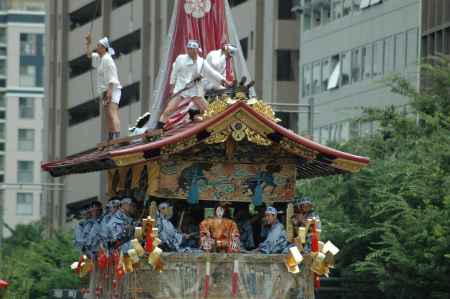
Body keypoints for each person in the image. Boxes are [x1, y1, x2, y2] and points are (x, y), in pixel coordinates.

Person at [158, 40, 232, 129]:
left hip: (195, 88)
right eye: (189, 49)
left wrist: (224, 81)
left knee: (208, 110)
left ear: (197, 50)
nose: (190, 51)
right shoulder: (180, 59)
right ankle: (158, 129)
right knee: (169, 110)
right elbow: (174, 73)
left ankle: (215, 126)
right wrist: (172, 86)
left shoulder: (202, 62)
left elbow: (212, 73)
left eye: (193, 49)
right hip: (181, 88)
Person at [85, 33, 122, 140]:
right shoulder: (100, 58)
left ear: (104, 48)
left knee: (112, 112)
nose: (96, 47)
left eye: (98, 45)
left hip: (112, 89)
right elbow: (88, 55)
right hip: (106, 90)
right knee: (108, 116)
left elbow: (112, 76)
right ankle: (111, 138)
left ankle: (116, 137)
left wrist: (109, 92)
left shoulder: (107, 59)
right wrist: (88, 43)